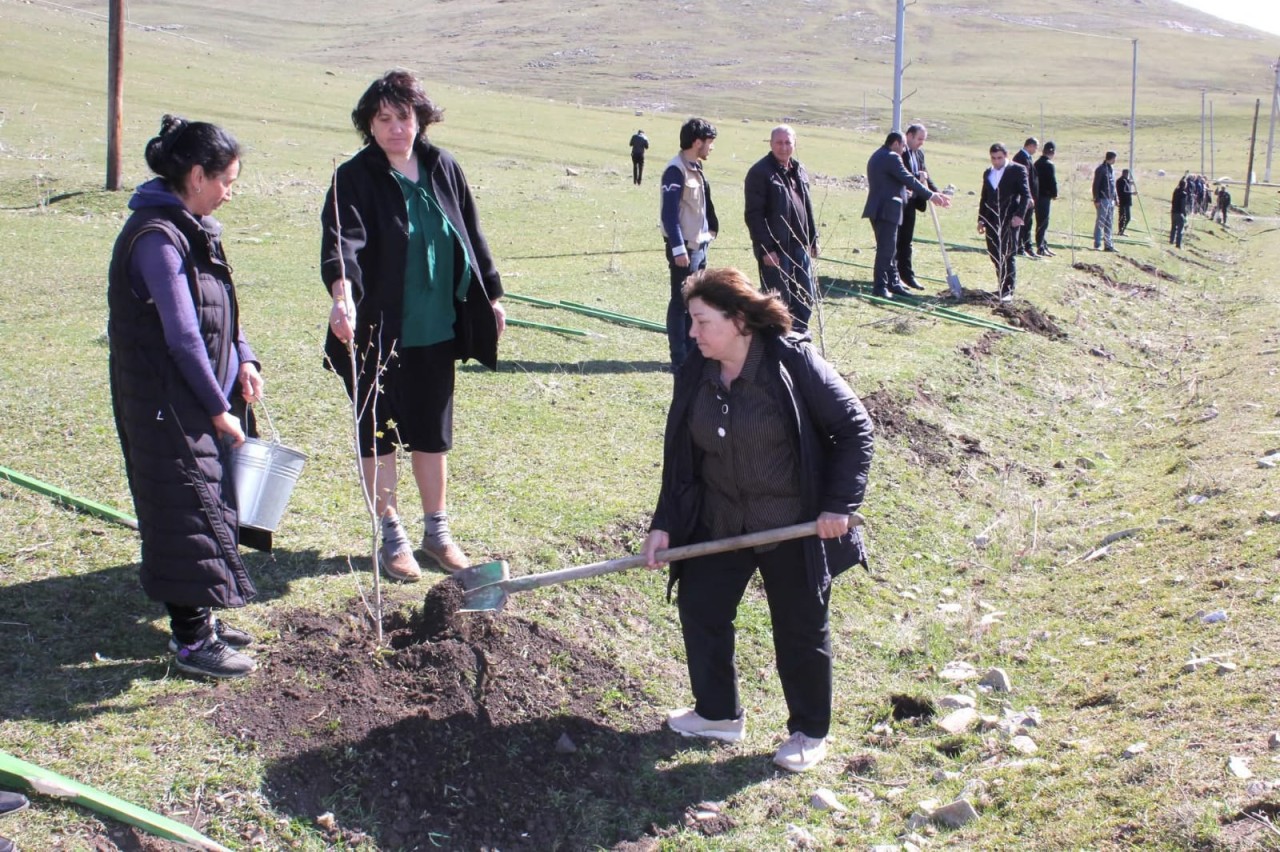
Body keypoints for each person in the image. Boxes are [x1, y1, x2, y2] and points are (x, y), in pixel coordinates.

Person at [642, 267, 873, 774]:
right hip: (722, 519)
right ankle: (718, 715)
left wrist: (838, 504)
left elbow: (856, 429)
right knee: (701, 607)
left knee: (799, 626)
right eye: (691, 322)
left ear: (740, 320)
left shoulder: (790, 364)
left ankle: (809, 731)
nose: (692, 333)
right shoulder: (695, 372)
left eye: (702, 322)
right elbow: (680, 457)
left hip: (791, 521)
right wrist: (665, 523)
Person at [323, 70, 506, 581]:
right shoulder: (355, 178)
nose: (396, 128)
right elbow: (343, 243)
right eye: (384, 119)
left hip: (436, 327)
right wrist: (343, 296)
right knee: (378, 432)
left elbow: (470, 230)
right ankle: (391, 532)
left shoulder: (441, 165)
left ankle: (436, 532)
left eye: (404, 117)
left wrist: (491, 294)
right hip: (376, 331)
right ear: (369, 125)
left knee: (431, 432)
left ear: (420, 118)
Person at [108, 115, 263, 680]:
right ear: (196, 175)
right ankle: (193, 640)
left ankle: (207, 620)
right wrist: (217, 408)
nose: (229, 192)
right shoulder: (156, 238)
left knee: (211, 504)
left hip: (197, 396)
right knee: (183, 510)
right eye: (225, 181)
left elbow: (220, 308)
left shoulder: (192, 227)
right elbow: (181, 333)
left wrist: (244, 360)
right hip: (165, 404)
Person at [744, 125, 820, 331]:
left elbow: (807, 206)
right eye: (779, 142)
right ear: (771, 144)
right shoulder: (760, 172)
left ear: (794, 144)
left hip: (799, 246)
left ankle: (800, 340)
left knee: (805, 297)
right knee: (779, 302)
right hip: (776, 250)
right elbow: (754, 216)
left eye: (788, 142)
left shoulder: (798, 170)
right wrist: (766, 249)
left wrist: (813, 239)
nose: (783, 147)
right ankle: (778, 345)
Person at [659, 117, 719, 370]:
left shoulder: (695, 166)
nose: (711, 148)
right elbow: (669, 214)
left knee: (695, 301)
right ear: (697, 142)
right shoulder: (676, 170)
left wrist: (712, 229)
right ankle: (679, 357)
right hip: (685, 247)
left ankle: (694, 351)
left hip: (699, 245)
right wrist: (678, 248)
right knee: (680, 301)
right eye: (709, 143)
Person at [862, 131, 950, 299]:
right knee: (886, 250)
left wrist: (904, 192)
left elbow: (891, 181)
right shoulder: (891, 157)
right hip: (887, 209)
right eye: (902, 146)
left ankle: (893, 282)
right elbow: (908, 179)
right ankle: (880, 286)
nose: (903, 150)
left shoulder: (878, 155)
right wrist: (932, 195)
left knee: (890, 248)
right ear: (895, 143)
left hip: (880, 208)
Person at [978, 143, 1033, 302]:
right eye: (993, 158)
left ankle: (1008, 290)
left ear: (1006, 156)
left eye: (999, 158)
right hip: (991, 220)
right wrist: (981, 219)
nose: (996, 161)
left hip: (1010, 220)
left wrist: (1019, 216)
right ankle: (1002, 285)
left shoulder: (1018, 170)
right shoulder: (988, 172)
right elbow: (984, 197)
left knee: (1008, 254)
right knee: (994, 253)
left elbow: (1025, 195)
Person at [896, 123, 941, 290]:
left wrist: (937, 193)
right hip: (899, 202)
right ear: (909, 136)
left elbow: (926, 176)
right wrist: (918, 176)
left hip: (913, 203)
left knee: (907, 241)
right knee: (896, 240)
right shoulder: (900, 152)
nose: (922, 142)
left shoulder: (920, 154)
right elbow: (903, 175)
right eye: (919, 139)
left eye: (924, 139)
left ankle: (907, 276)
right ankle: (893, 276)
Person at [1011, 137, 1040, 257]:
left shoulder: (1027, 158)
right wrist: (1028, 197)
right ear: (1030, 146)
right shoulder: (1020, 158)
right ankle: (1020, 248)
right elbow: (1024, 180)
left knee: (1028, 223)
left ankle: (1027, 247)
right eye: (1036, 147)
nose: (1036, 150)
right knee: (1023, 223)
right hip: (1024, 198)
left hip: (1029, 197)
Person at [1033, 141, 1058, 257]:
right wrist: (1054, 194)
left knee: (1040, 221)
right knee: (1043, 222)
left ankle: (1043, 244)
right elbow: (1053, 182)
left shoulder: (1036, 163)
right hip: (1044, 196)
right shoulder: (1049, 164)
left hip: (1037, 196)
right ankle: (1040, 247)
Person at [1092, 151, 1118, 251]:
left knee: (1109, 222)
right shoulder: (1101, 169)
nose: (1115, 161)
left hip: (1111, 199)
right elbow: (1096, 185)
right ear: (1110, 158)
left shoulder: (1111, 169)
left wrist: (1116, 198)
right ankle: (1097, 244)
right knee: (1100, 222)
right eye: (1114, 158)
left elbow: (1113, 185)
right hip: (1103, 199)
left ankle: (1108, 245)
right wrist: (1096, 199)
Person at [1116, 168, 1136, 236]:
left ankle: (1122, 231)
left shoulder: (1125, 180)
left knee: (1127, 217)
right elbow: (1123, 192)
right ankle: (1120, 231)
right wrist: (1132, 193)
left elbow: (1127, 182)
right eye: (1127, 174)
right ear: (1124, 173)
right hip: (1123, 202)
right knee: (1124, 217)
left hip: (1127, 202)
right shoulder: (1120, 181)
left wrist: (1131, 183)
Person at [1170, 177, 1188, 248]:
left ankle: (1171, 241)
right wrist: (1185, 214)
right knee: (1180, 229)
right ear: (1184, 185)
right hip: (1179, 213)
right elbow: (1183, 205)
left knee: (1173, 227)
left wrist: (1183, 177)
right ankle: (1178, 244)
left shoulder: (1175, 192)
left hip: (1173, 211)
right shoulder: (1183, 194)